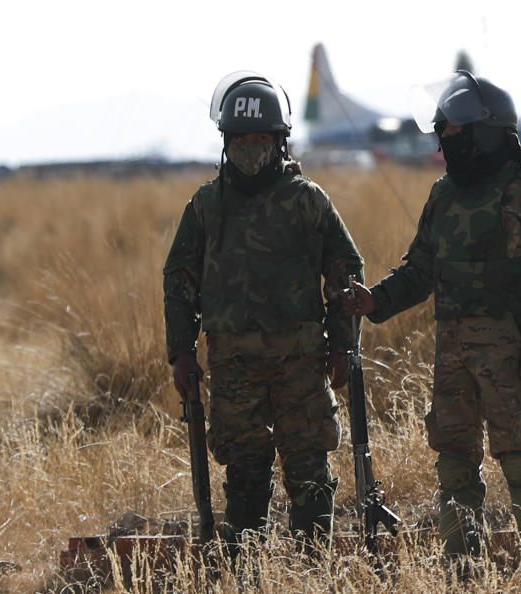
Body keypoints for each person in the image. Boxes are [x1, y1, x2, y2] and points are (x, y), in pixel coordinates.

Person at [345, 71, 521, 560]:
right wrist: (376, 302)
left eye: (452, 131)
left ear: (484, 132)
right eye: (442, 132)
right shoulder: (443, 194)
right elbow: (421, 270)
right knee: (454, 463)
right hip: (451, 351)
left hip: (513, 350)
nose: (444, 140)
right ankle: (462, 570)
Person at [163, 71, 363, 551]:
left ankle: (312, 570)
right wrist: (180, 353)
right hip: (233, 364)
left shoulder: (307, 200)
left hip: (301, 360)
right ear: (226, 142)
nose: (250, 148)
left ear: (280, 142)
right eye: (240, 139)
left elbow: (345, 271)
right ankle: (244, 570)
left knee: (309, 468)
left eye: (260, 139)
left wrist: (343, 344)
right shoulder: (208, 206)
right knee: (246, 471)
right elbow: (179, 280)